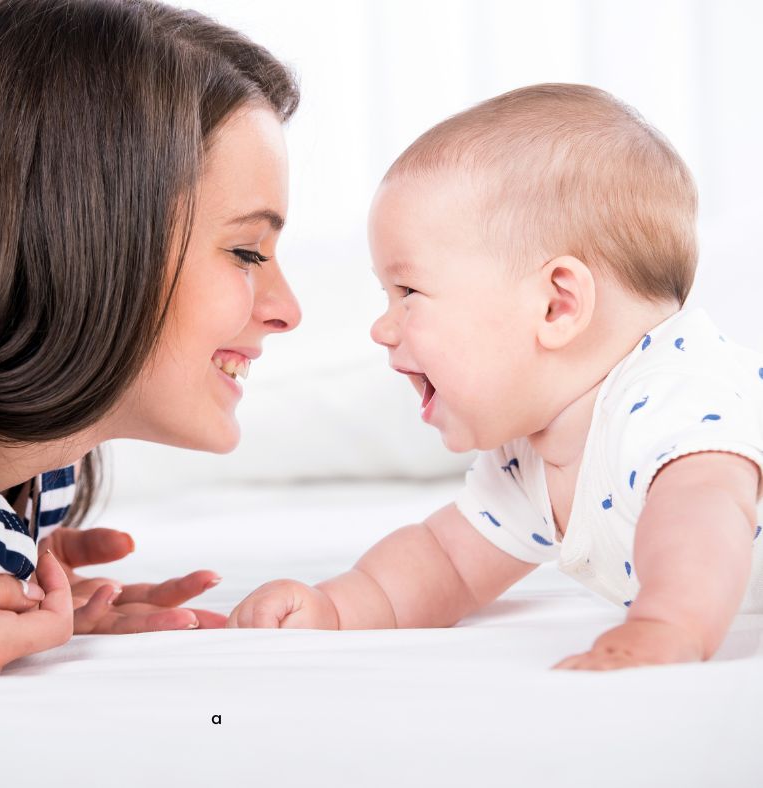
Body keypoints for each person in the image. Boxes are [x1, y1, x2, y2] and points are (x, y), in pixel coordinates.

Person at [0, 0, 301, 681]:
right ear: (85, 244)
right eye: (247, 252)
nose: (289, 311)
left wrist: (4, 584)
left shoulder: (30, 466)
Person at [227, 83, 763, 671]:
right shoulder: (529, 455)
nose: (382, 328)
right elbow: (447, 561)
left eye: (408, 291)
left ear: (556, 306)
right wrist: (335, 606)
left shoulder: (674, 400)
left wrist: (668, 626)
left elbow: (703, 521)